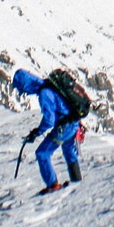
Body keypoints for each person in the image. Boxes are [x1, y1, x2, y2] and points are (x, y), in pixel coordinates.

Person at [13, 68, 84, 196]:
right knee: (69, 152)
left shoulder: (44, 94)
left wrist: (37, 132)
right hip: (73, 122)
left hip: (65, 126)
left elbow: (49, 120)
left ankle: (53, 185)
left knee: (42, 153)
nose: (24, 92)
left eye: (22, 88)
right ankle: (77, 182)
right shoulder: (49, 86)